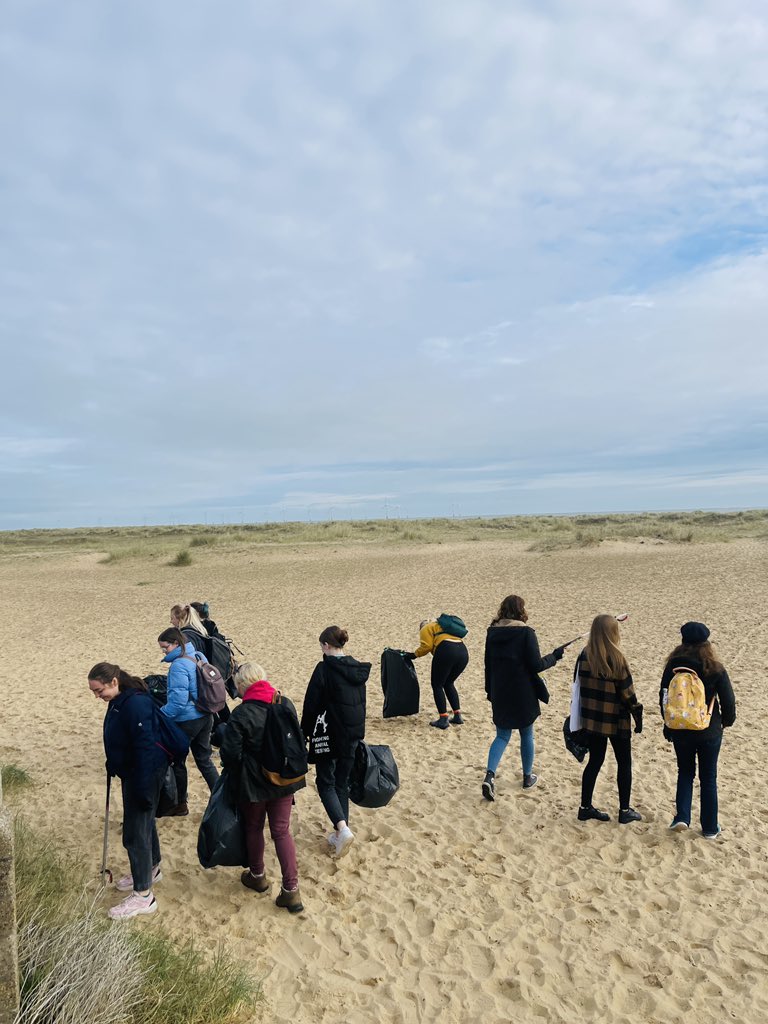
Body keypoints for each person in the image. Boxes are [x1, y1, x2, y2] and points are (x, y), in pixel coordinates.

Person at [219, 662, 305, 913]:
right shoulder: (284, 702)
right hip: (285, 777)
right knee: (281, 831)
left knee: (254, 827)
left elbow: (230, 753)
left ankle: (258, 875)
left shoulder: (242, 713)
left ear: (242, 686)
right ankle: (291, 890)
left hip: (253, 782)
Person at [88, 662, 167, 919]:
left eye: (100, 691)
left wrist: (143, 789)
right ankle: (152, 868)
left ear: (113, 682)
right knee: (144, 826)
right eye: (94, 692)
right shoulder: (122, 699)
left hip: (144, 777)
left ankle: (144, 896)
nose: (98, 696)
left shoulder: (136, 704)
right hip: (133, 774)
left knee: (135, 835)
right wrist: (115, 761)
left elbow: (145, 750)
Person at [481, 595, 565, 800]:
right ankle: (527, 777)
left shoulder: (492, 633)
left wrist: (489, 691)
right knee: (527, 734)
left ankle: (489, 776)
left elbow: (488, 665)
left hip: (500, 689)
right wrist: (554, 656)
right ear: (521, 611)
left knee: (502, 735)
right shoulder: (526, 633)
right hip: (522, 691)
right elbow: (536, 665)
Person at [659, 621, 736, 838]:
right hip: (708, 729)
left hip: (680, 728)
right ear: (706, 643)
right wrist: (726, 722)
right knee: (708, 777)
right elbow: (728, 700)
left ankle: (682, 816)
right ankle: (710, 828)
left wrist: (668, 724)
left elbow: (664, 696)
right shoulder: (715, 667)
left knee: (685, 772)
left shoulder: (673, 667)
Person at [300, 626, 370, 857]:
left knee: (325, 782)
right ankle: (342, 833)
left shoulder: (324, 669)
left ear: (326, 645)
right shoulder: (356, 669)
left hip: (329, 734)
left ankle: (342, 828)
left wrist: (304, 732)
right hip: (352, 734)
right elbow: (361, 704)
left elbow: (310, 705)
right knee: (341, 783)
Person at [575, 615, 643, 824]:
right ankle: (624, 809)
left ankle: (585, 807)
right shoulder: (616, 658)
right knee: (624, 762)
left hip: (593, 718)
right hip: (616, 719)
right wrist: (637, 713)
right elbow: (627, 693)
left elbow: (577, 686)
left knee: (595, 761)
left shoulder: (584, 656)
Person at [157, 627, 219, 814]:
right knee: (204, 760)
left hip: (187, 720)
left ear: (176, 644)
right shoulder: (198, 656)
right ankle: (221, 798)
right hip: (206, 715)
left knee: (177, 761)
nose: (163, 651)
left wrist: (160, 715)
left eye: (165, 647)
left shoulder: (178, 666)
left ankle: (180, 804)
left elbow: (177, 703)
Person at [405, 616, 468, 729]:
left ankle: (443, 718)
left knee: (437, 685)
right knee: (449, 683)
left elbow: (426, 646)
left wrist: (413, 655)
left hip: (446, 651)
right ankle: (457, 716)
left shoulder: (426, 628)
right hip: (463, 652)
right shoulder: (444, 627)